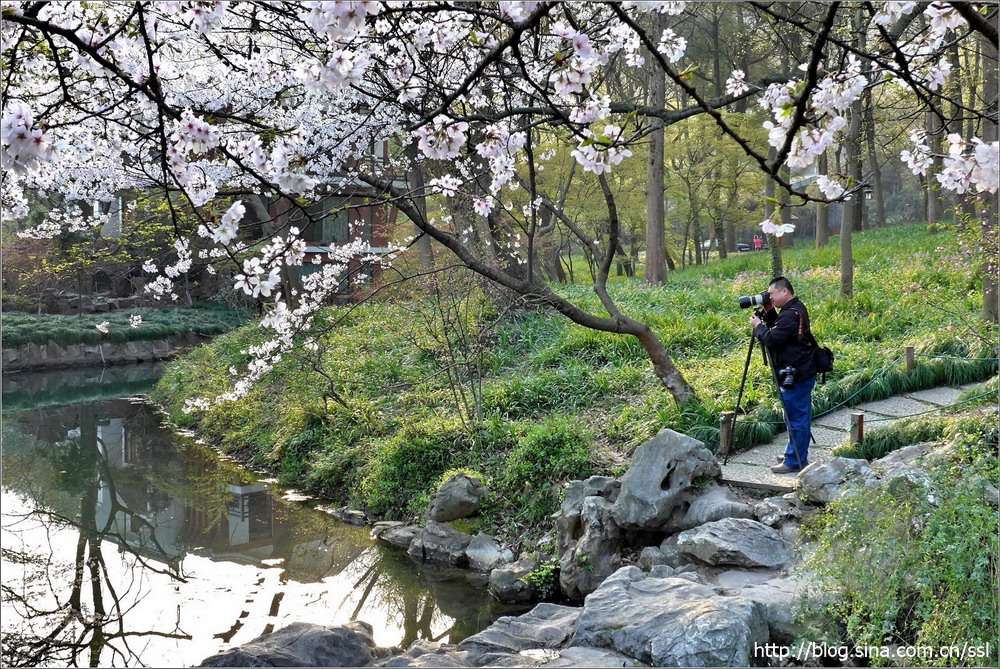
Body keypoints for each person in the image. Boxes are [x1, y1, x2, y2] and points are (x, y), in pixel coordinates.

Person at [750, 276, 817, 474]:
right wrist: (770, 312)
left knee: (797, 417)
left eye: (771, 294)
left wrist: (758, 327)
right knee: (795, 416)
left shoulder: (790, 315)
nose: (769, 297)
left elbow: (772, 338)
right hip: (800, 370)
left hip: (796, 374)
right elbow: (781, 330)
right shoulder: (793, 309)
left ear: (784, 292)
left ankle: (795, 461)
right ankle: (796, 453)